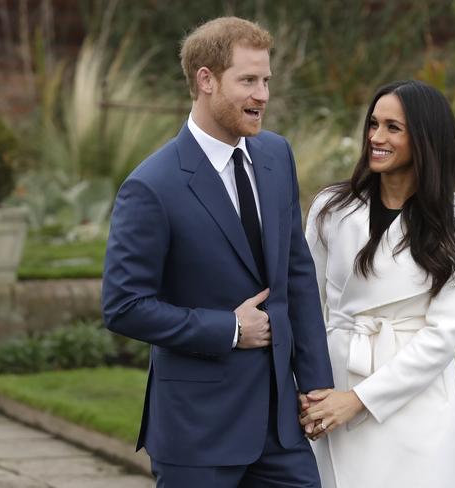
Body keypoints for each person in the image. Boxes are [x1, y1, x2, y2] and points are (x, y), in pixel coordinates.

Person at [102, 16, 333, 488]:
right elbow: (124, 307)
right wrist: (228, 329)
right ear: (206, 80)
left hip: (280, 430)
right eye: (248, 80)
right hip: (197, 433)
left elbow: (296, 274)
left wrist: (315, 383)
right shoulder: (151, 186)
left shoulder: (276, 156)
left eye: (266, 80)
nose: (263, 95)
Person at [300, 80, 455, 488]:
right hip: (332, 386)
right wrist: (311, 388)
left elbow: (445, 333)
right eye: (373, 124)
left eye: (392, 128)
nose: (376, 138)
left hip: (413, 398)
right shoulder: (332, 209)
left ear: (424, 138)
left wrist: (360, 400)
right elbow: (304, 304)